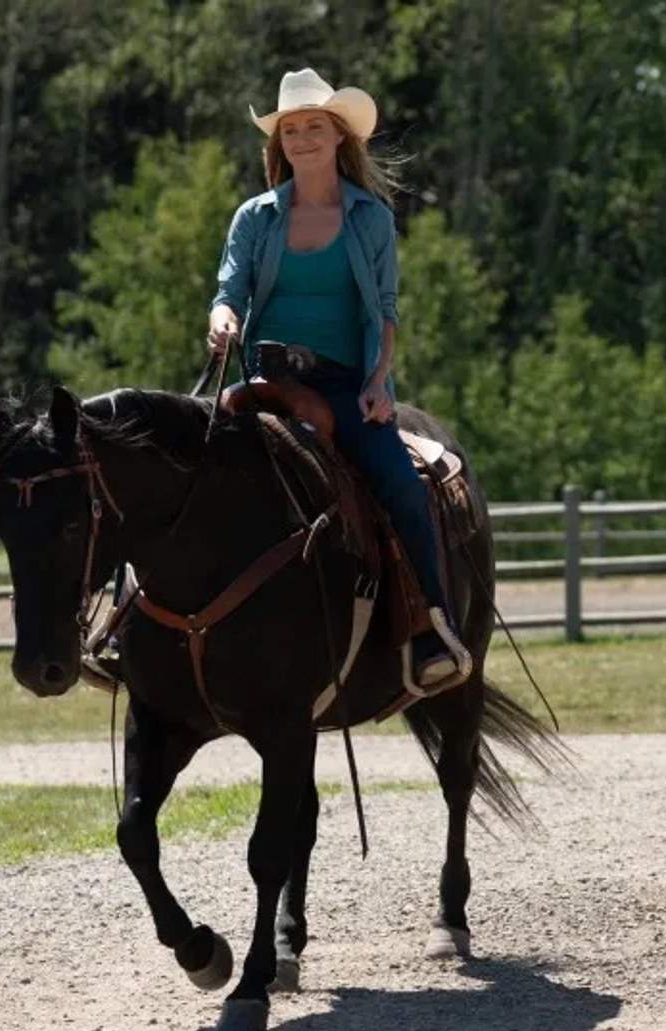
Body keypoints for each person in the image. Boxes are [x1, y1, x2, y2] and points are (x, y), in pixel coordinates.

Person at [208, 68, 469, 694]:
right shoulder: (255, 217)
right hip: (267, 376)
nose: (300, 138)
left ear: (337, 137)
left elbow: (384, 312)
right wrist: (222, 321)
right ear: (279, 144)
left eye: (312, 128)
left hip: (347, 386)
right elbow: (229, 291)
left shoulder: (370, 219)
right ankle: (125, 628)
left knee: (403, 488)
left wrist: (379, 383)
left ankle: (432, 625)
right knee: (180, 465)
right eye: (290, 130)